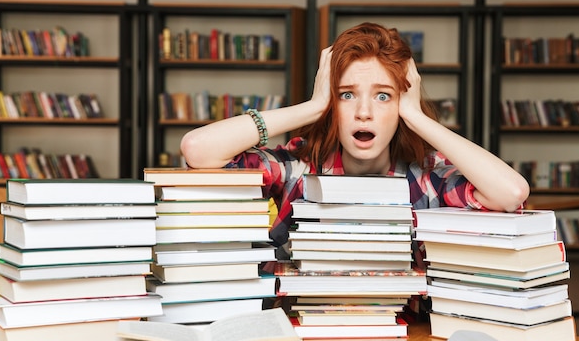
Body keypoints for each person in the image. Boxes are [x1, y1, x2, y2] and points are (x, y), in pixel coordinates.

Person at [180, 22, 530, 255]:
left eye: (383, 96)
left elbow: (511, 193)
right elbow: (197, 150)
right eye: (347, 95)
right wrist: (314, 106)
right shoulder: (298, 168)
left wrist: (416, 116)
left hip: (402, 336)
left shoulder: (426, 177)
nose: (364, 112)